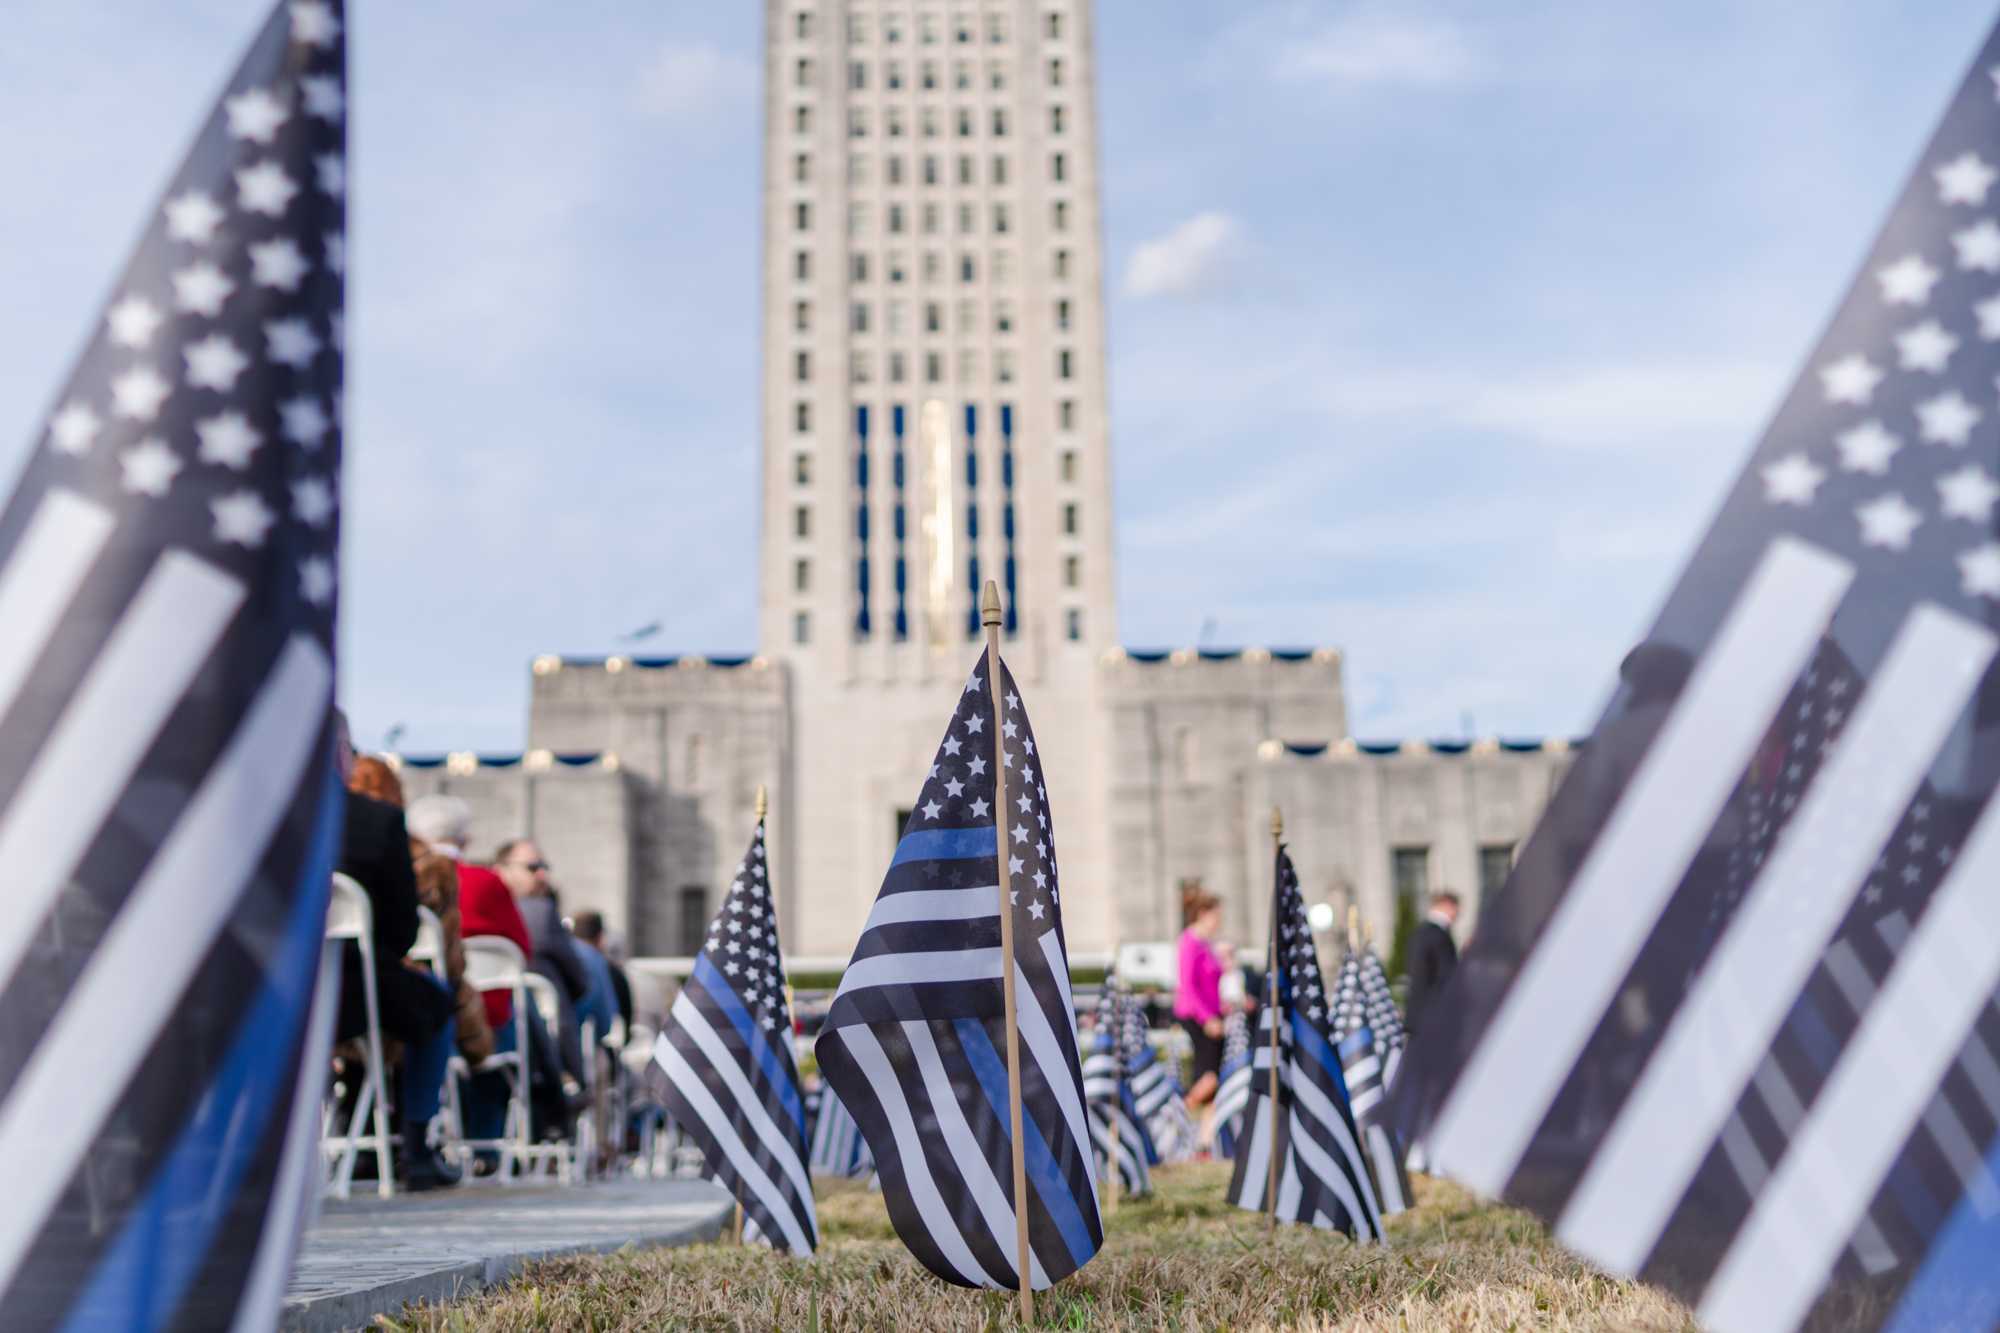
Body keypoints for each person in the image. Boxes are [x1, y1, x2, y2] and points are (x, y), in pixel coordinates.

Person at [331, 717, 459, 1190]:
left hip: (265, 991)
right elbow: (402, 929)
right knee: (436, 1003)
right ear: (342, 754)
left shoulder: (256, 812)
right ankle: (416, 1145)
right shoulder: (375, 821)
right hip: (349, 988)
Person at [354, 765, 494, 1065]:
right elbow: (408, 934)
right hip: (371, 993)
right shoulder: (426, 860)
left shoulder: (311, 830)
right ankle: (417, 1111)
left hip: (306, 993)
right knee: (438, 1004)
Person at [1173, 884, 1227, 1110]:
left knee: (1214, 1084)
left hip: (1213, 1014)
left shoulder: (1206, 944)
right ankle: (1181, 1112)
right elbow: (1188, 985)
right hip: (1198, 1017)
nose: (1219, 921)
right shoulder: (1189, 942)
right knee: (1210, 1076)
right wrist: (1207, 1018)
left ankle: (1204, 1137)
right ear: (1203, 914)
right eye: (1216, 916)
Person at [1406, 890, 1461, 1034]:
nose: (1458, 913)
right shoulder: (1439, 935)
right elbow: (1447, 976)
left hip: (1418, 1014)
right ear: (1447, 905)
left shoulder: (1419, 933)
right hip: (1435, 1015)